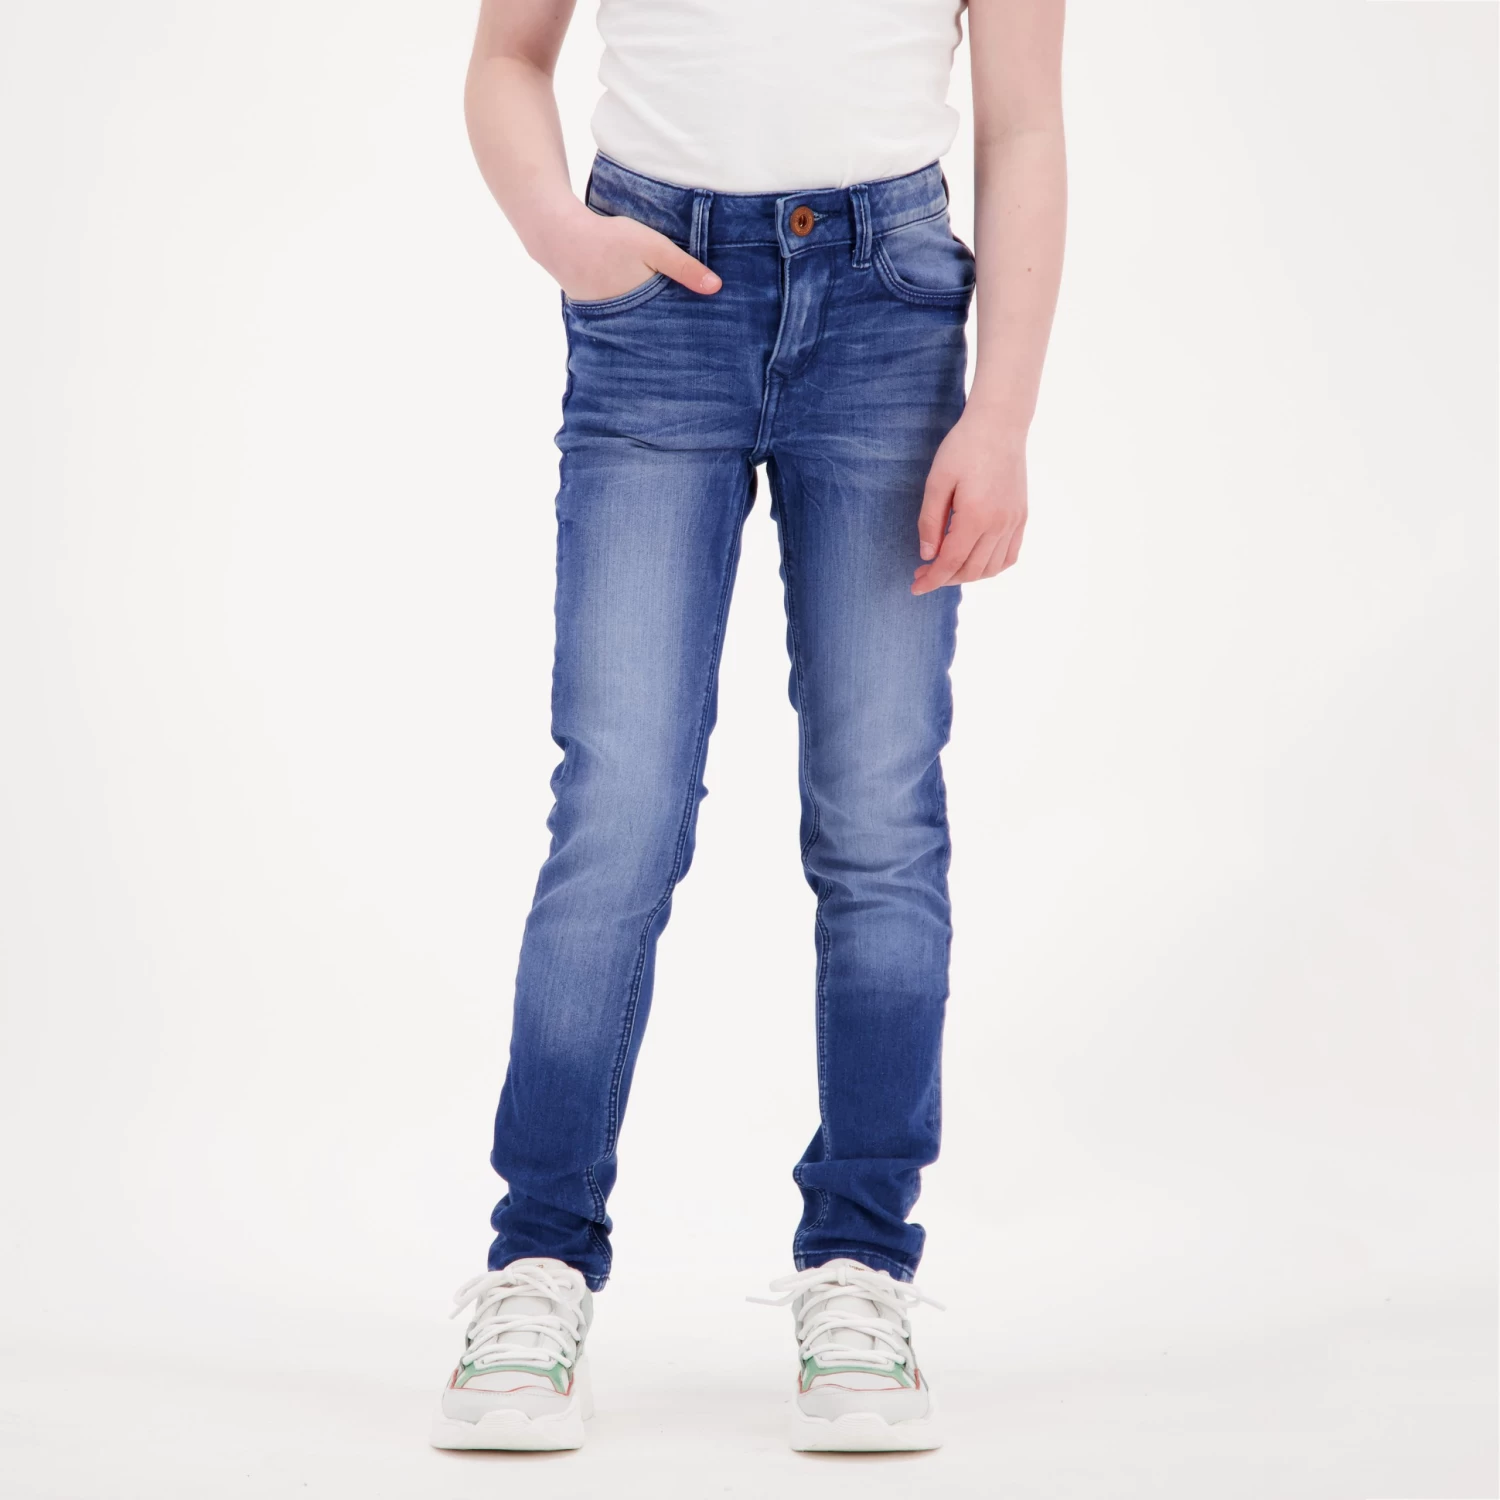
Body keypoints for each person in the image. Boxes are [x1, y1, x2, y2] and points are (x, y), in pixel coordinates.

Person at [429, 0, 1066, 1454]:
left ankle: (862, 1268)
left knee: (879, 817)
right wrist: (559, 232)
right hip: (656, 301)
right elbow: (508, 55)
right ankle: (538, 1264)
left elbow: (1025, 119)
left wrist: (1004, 414)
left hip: (889, 311)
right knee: (619, 808)